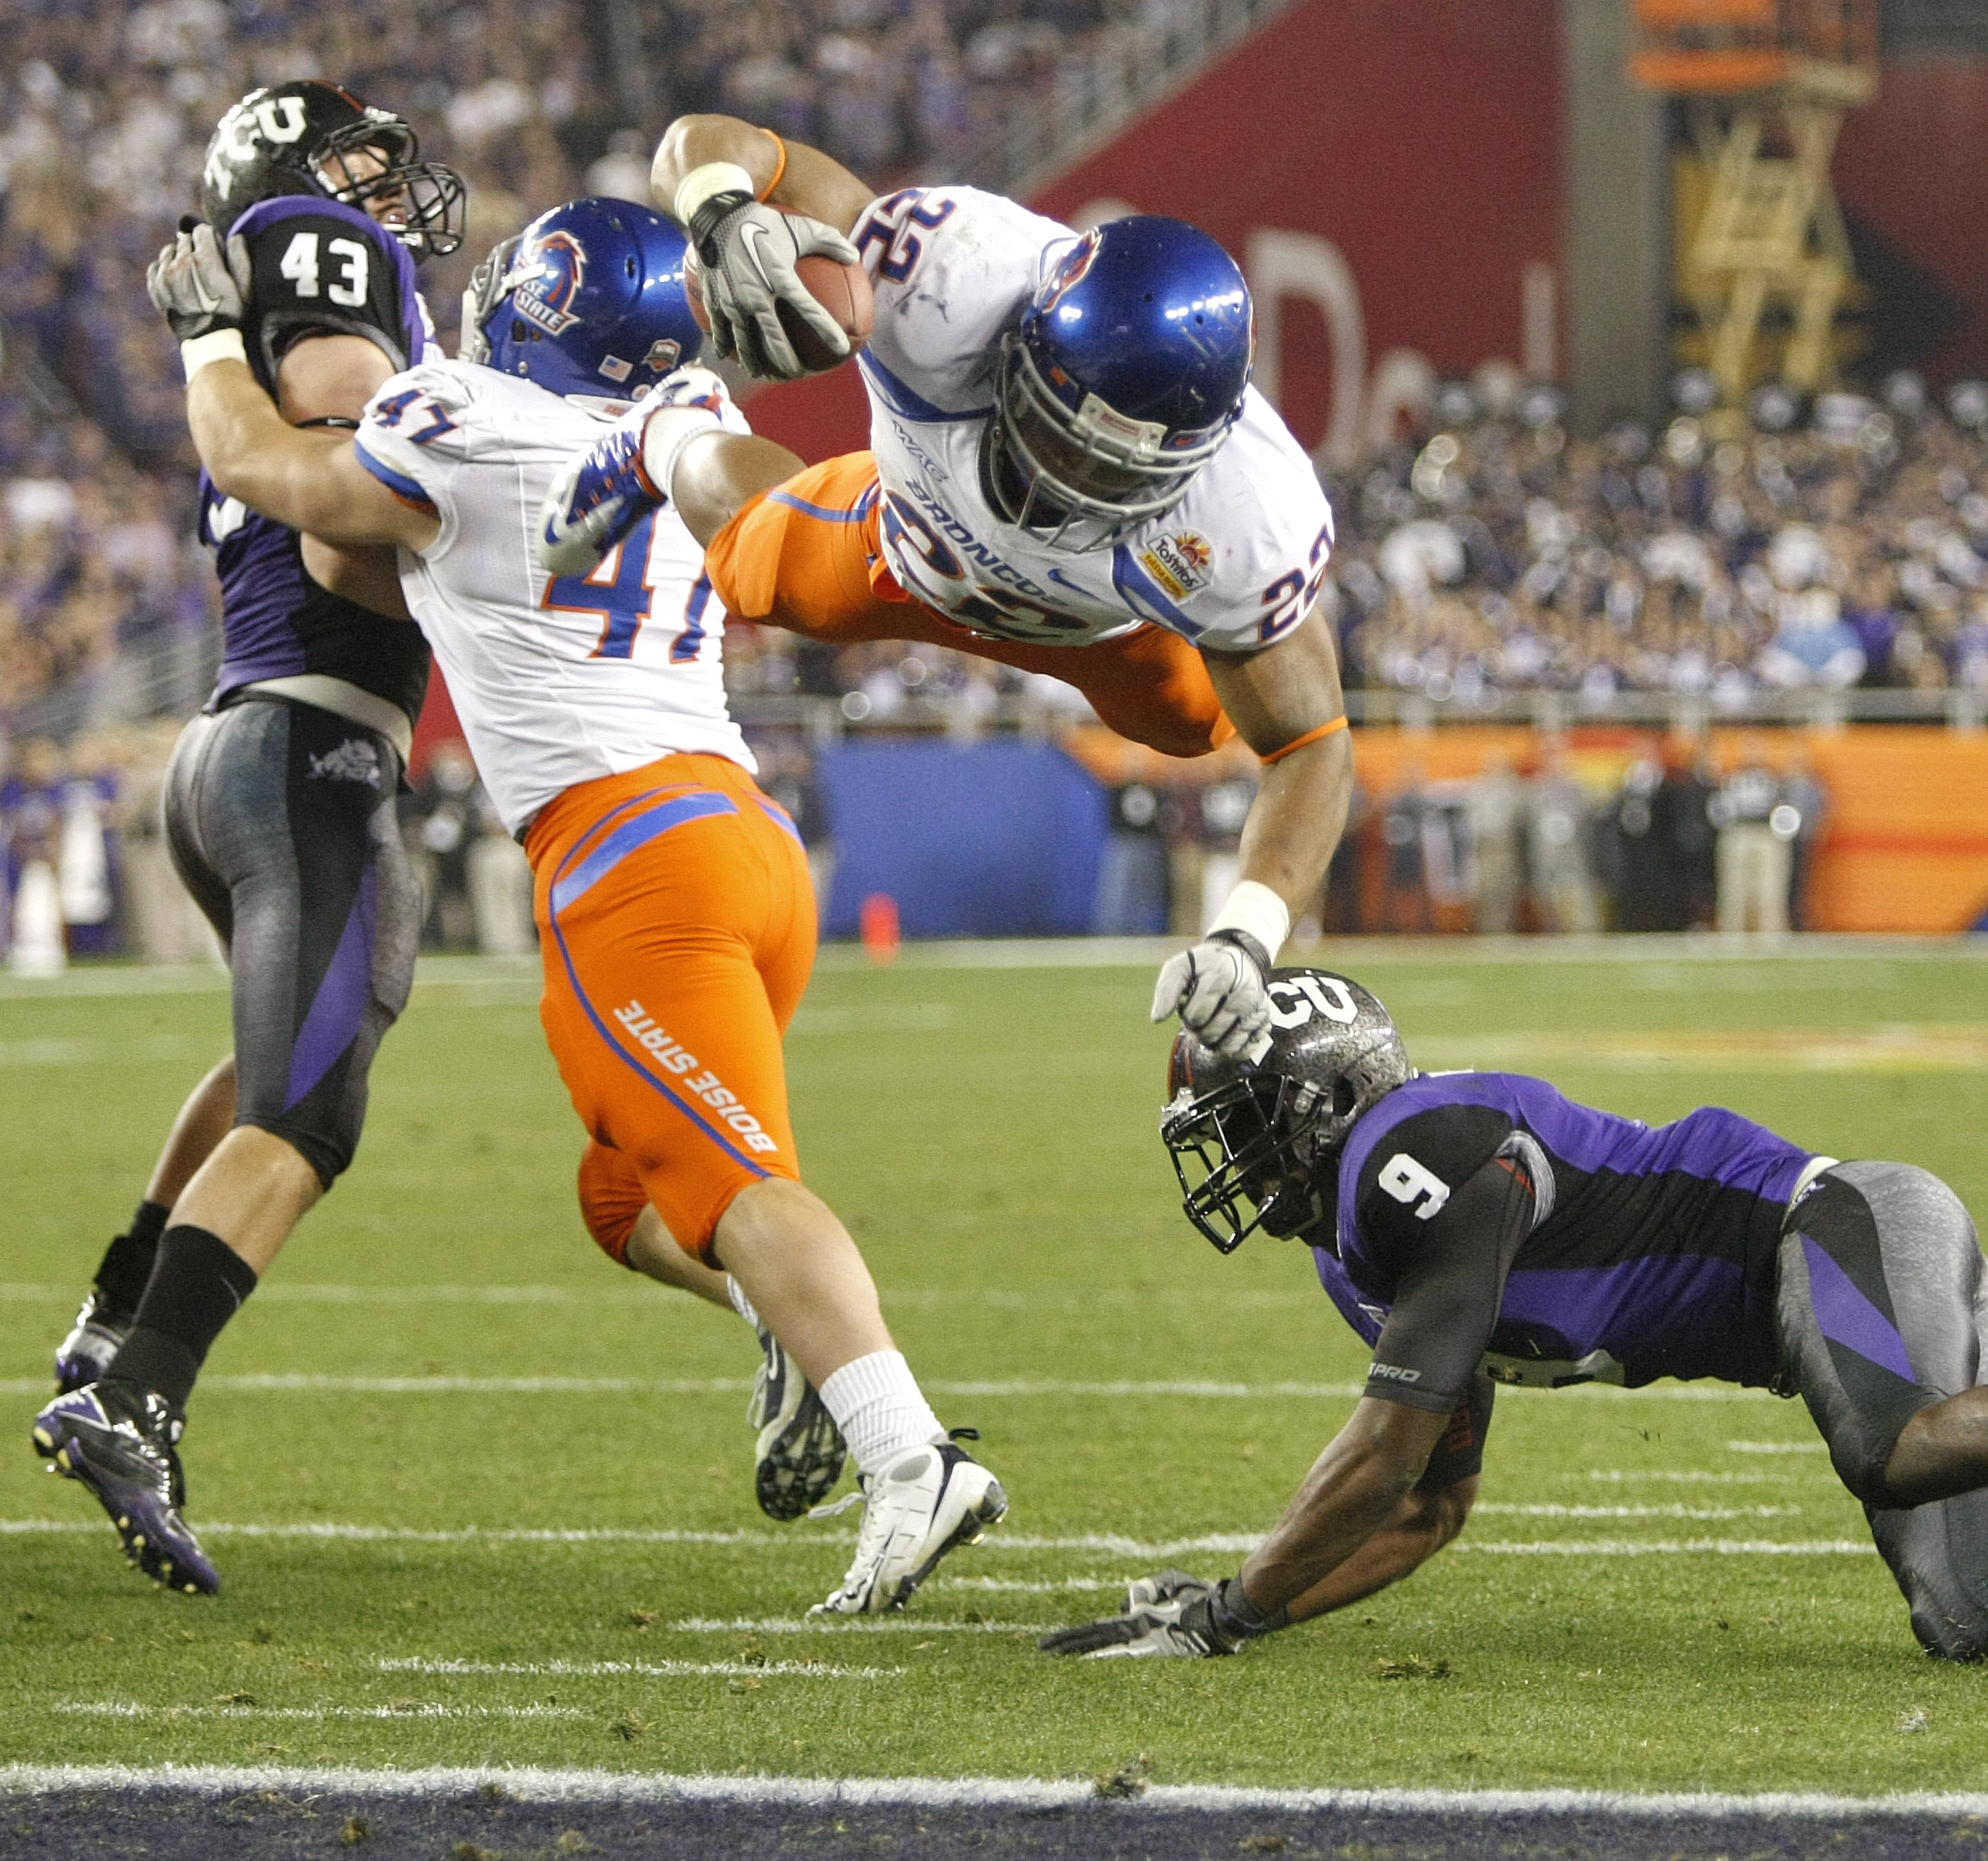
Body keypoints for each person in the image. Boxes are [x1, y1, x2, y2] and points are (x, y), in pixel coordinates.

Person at [108, 196, 1006, 1617]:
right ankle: (787, 1337)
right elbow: (674, 484)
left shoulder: (460, 418)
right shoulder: (680, 411)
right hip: (743, 837)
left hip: (629, 856)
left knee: (735, 1188)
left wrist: (213, 336)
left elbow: (261, 468)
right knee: (621, 1194)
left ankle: (909, 1458)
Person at [536, 114, 1354, 1069]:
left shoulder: (1251, 515)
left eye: (1117, 473)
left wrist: (1245, 933)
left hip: (1105, 631)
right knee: (754, 569)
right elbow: (714, 142)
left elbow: (1310, 746)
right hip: (911, 544)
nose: (1068, 484)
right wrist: (721, 211)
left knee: (1200, 723)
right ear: (1027, 349)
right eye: (1058, 433)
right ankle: (663, 438)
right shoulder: (945, 273)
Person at [1042, 968, 1988, 1662]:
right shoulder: (1352, 1252)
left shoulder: (1410, 1148)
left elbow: (1383, 1459)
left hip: (1836, 1224)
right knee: (1965, 1623)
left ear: (1327, 1097)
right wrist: (1233, 1610)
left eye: (1246, 1125)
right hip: (1818, 1286)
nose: (1237, 1162)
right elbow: (1423, 1508)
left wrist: (1218, 1619)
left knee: (1897, 1449)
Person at [34, 83, 467, 1596]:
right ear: (289, 178)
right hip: (308, 747)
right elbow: (354, 518)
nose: (386, 191)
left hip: (238, 749)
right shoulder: (327, 276)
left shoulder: (269, 314)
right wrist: (495, 559)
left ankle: (107, 1317)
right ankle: (137, 1388)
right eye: (357, 162)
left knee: (280, 1054)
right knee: (314, 1109)